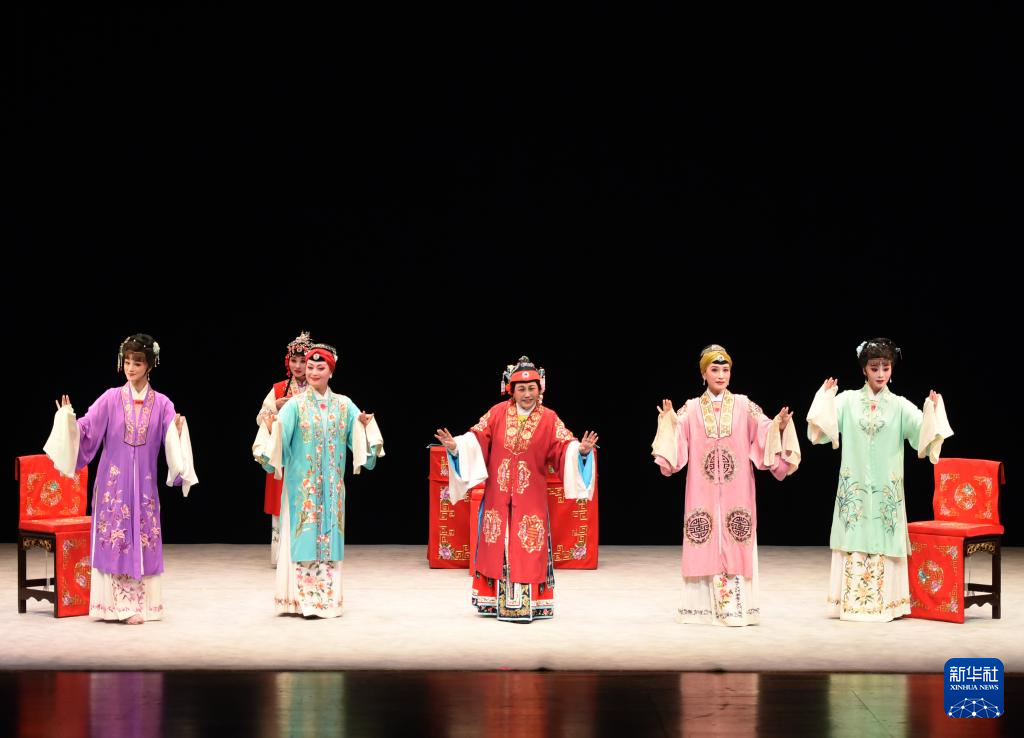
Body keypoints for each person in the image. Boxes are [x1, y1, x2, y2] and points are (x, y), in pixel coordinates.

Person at [44, 333, 198, 623]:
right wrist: (67, 421)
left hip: (144, 486)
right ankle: (116, 607)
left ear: (149, 365)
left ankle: (144, 606)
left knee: (144, 537)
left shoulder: (162, 404)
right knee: (115, 538)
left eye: (137, 362)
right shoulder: (111, 398)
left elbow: (172, 441)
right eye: (127, 362)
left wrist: (177, 431)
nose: (131, 368)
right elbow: (86, 429)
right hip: (112, 486)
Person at [434, 356, 597, 622]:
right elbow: (476, 439)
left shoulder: (549, 418)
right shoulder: (497, 413)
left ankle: (532, 605)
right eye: (521, 389)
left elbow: (563, 446)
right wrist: (456, 447)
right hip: (497, 496)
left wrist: (580, 451)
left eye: (532, 388)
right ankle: (491, 602)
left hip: (530, 497)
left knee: (528, 545)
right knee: (496, 543)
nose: (527, 394)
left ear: (540, 389)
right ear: (511, 390)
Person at [652, 344, 800, 626]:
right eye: (714, 369)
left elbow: (765, 429)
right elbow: (676, 438)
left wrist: (779, 426)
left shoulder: (744, 405)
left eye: (725, 369)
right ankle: (701, 611)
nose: (721, 375)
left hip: (737, 490)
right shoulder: (691, 408)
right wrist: (668, 420)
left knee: (737, 536)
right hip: (702, 490)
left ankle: (738, 610)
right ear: (703, 374)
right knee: (703, 537)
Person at [807, 337, 952, 622]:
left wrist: (932, 411)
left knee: (885, 532)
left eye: (886, 367)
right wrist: (825, 399)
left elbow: (923, 436)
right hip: (856, 487)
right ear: (864, 369)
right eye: (875, 368)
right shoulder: (847, 401)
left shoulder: (899, 406)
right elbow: (821, 432)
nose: (881, 373)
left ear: (892, 369)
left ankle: (889, 604)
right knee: (854, 532)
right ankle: (850, 604)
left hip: (886, 489)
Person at [255, 342, 384, 618]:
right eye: (310, 367)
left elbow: (358, 436)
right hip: (301, 489)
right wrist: (270, 432)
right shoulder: (294, 405)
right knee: (302, 536)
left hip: (332, 490)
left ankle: (327, 601)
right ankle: (299, 601)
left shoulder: (344, 405)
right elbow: (279, 440)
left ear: (331, 371)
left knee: (330, 539)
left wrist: (365, 426)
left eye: (320, 367)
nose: (313, 372)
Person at [256, 330, 313, 565]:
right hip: (283, 454)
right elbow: (261, 419)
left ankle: (306, 553)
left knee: (308, 502)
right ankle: (281, 557)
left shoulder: (317, 387)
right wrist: (275, 407)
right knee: (281, 504)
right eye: (294, 360)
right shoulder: (279, 388)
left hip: (308, 453)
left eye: (303, 361)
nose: (298, 366)